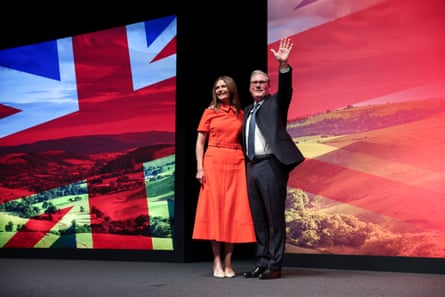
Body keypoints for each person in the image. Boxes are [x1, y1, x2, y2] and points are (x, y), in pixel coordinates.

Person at [242, 37, 305, 280]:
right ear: (249, 87)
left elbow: (286, 88)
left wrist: (283, 65)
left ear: (268, 86)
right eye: (254, 83)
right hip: (252, 167)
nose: (258, 85)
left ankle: (275, 266)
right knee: (258, 219)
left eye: (262, 82)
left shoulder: (276, 103)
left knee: (274, 219)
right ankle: (261, 263)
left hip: (270, 165)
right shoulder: (247, 110)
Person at [192, 75, 256, 279]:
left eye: (223, 86)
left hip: (236, 162)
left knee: (233, 213)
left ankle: (229, 262)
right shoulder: (210, 112)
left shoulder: (241, 114)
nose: (219, 90)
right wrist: (200, 169)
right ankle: (217, 261)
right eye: (216, 87)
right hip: (213, 162)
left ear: (231, 89)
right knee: (216, 212)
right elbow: (200, 143)